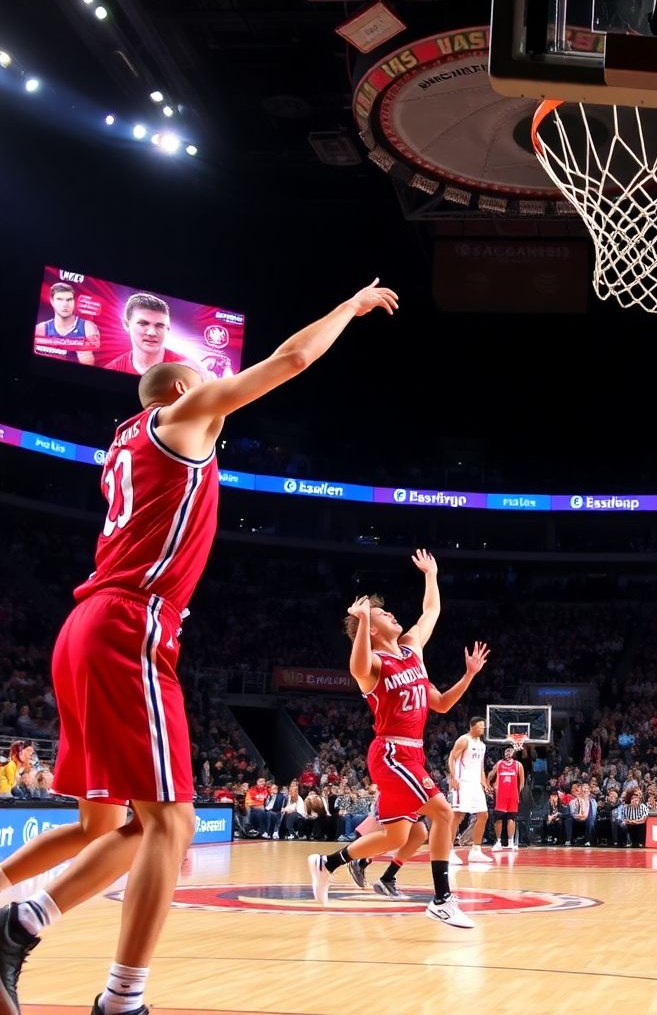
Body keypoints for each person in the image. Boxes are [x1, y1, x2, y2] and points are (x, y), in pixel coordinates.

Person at [0, 277, 398, 1015]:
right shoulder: (179, 417)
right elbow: (289, 361)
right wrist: (346, 306)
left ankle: (17, 917)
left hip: (87, 627)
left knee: (112, 826)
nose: (217, 383)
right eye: (205, 376)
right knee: (173, 823)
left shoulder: (123, 441)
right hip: (130, 625)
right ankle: (118, 998)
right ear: (182, 388)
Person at [307, 552, 489, 929]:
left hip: (413, 754)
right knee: (442, 813)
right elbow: (356, 668)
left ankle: (328, 863)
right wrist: (359, 622)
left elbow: (438, 696)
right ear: (370, 630)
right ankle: (443, 899)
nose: (390, 613)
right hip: (390, 753)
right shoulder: (373, 664)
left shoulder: (411, 648)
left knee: (397, 834)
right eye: (380, 614)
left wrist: (432, 575)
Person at [103, 293, 189, 375]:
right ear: (126, 325)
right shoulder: (111, 369)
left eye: (159, 326)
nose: (152, 333)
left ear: (167, 329)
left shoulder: (188, 370)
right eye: (143, 323)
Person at [447, 716, 493, 864]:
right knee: (458, 816)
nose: (482, 728)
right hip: (463, 782)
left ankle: (476, 851)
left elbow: (480, 766)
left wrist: (484, 782)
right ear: (472, 726)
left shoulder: (482, 745)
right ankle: (448, 851)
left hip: (475, 784)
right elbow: (452, 758)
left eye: (483, 726)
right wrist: (453, 777)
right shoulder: (463, 740)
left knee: (483, 815)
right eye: (480, 726)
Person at [34, 282, 100, 366]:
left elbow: (87, 365)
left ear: (74, 302)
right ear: (52, 301)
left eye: (69, 299)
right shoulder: (41, 329)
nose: (65, 304)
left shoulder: (87, 327)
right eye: (60, 299)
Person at [488, 745, 525, 851]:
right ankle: (498, 842)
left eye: (510, 750)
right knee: (498, 818)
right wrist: (489, 787)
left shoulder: (518, 765)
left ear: (514, 753)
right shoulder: (499, 763)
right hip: (500, 795)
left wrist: (518, 793)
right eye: (506, 751)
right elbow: (490, 775)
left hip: (513, 795)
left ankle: (510, 842)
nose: (508, 752)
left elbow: (522, 782)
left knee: (511, 818)